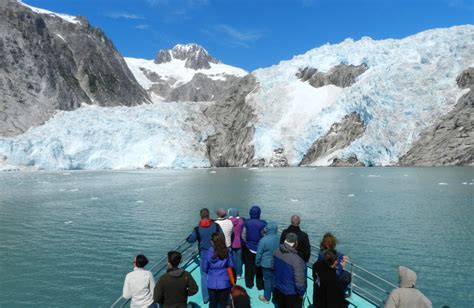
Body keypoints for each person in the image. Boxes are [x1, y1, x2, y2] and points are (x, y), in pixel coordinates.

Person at [186, 208, 222, 304]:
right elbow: (221, 238)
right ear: (209, 215)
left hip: (204, 254)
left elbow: (190, 239)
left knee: (204, 275)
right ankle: (218, 294)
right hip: (215, 253)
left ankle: (206, 298)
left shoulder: (197, 229)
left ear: (201, 216)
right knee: (216, 272)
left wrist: (188, 237)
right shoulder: (216, 226)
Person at [272, 233, 306, 308]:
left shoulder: (276, 252)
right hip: (291, 294)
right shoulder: (297, 260)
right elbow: (299, 282)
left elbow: (272, 268)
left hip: (278, 289)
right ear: (295, 243)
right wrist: (301, 292)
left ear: (285, 240)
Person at [203, 233, 234, 308]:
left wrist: (209, 272)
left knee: (212, 303)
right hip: (224, 282)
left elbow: (205, 267)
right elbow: (231, 265)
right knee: (223, 303)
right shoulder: (227, 250)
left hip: (212, 282)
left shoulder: (209, 251)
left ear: (212, 242)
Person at [242, 205, 267, 289]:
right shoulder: (263, 223)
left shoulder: (246, 222)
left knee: (249, 266)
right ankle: (260, 285)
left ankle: (249, 284)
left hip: (248, 247)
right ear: (259, 213)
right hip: (260, 248)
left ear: (250, 213)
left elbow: (243, 235)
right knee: (259, 266)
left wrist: (246, 243)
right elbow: (264, 235)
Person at [256, 222, 280, 304]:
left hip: (266, 264)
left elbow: (259, 253)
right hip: (277, 263)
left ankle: (266, 298)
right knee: (275, 280)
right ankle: (276, 297)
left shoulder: (263, 240)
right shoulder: (279, 238)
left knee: (267, 281)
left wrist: (257, 262)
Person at [228, 208, 244, 278]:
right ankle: (239, 274)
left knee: (232, 258)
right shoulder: (241, 221)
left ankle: (233, 273)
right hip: (239, 242)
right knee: (239, 259)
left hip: (231, 242)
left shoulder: (228, 222)